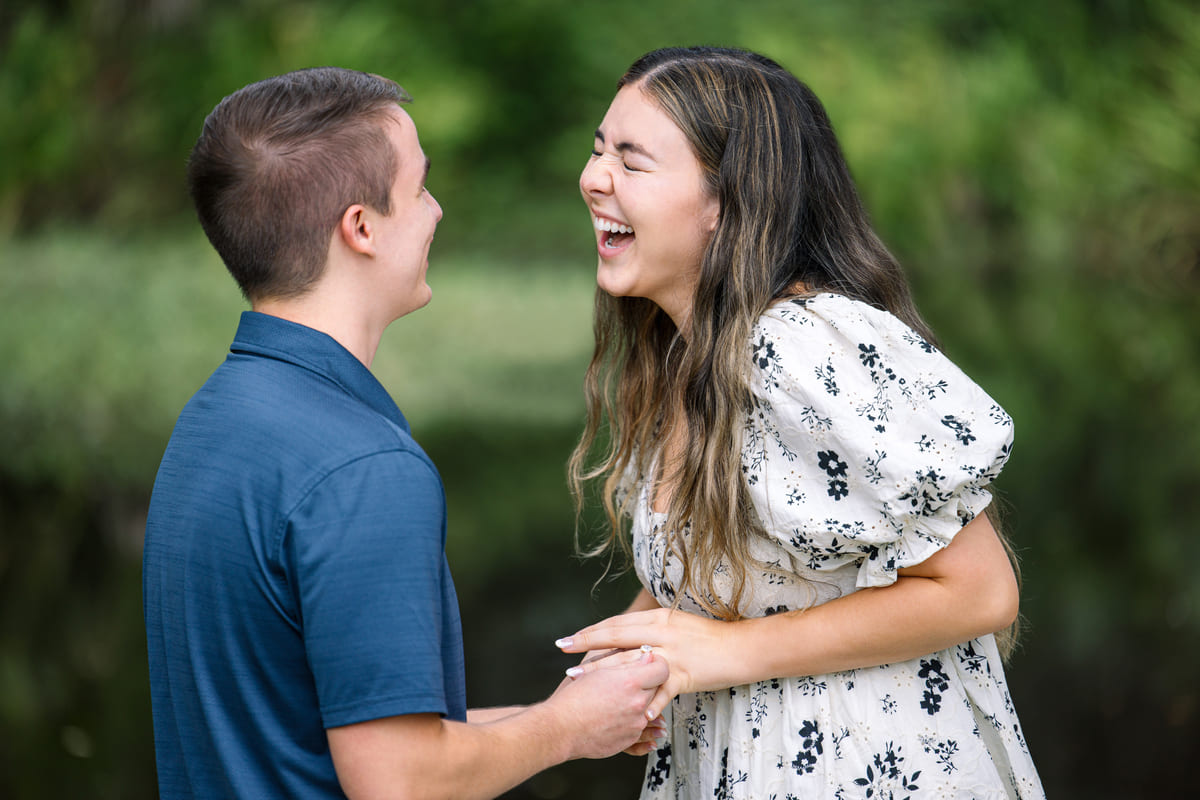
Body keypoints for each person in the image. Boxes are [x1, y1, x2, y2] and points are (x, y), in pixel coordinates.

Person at [142, 66, 668, 800]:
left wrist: (568, 713)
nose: (436, 210)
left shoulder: (214, 418)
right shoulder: (363, 467)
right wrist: (565, 730)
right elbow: (399, 782)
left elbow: (328, 734)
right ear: (360, 228)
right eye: (419, 189)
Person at [556, 47, 1046, 799]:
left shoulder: (800, 348)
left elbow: (980, 591)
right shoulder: (692, 356)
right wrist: (631, 660)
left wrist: (722, 654)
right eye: (598, 153)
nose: (593, 179)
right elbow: (723, 581)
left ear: (726, 200)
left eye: (631, 160)